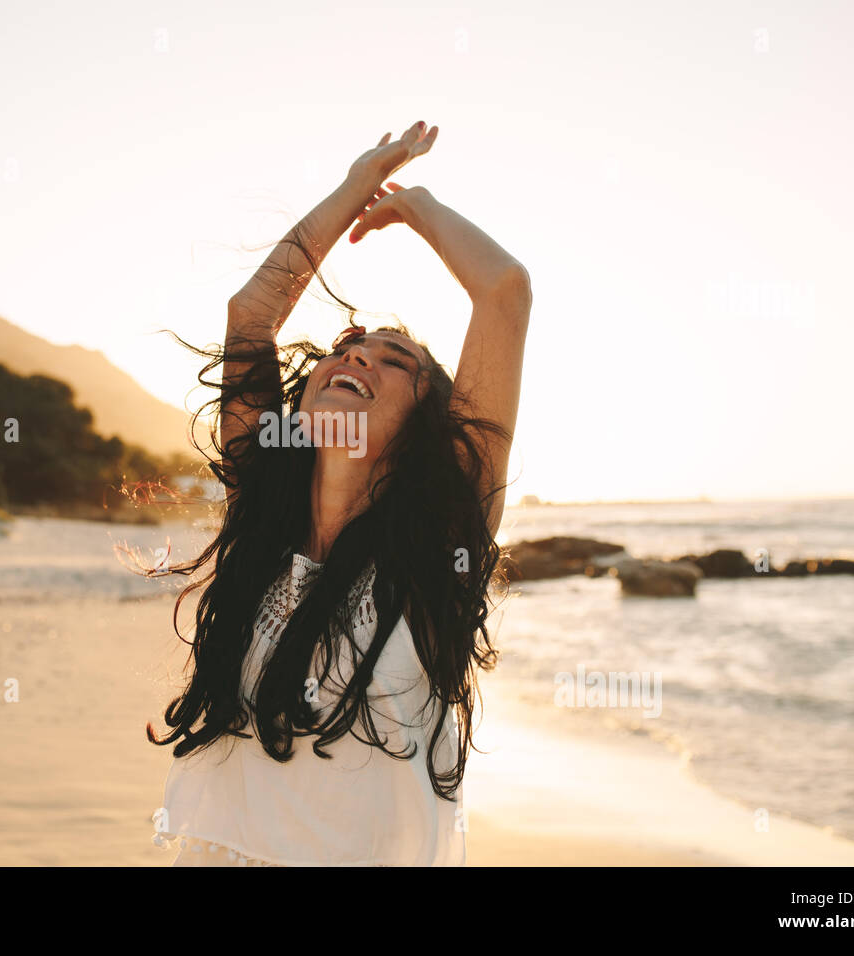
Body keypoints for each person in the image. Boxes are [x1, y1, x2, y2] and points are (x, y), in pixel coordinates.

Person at [146, 119, 532, 866]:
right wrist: (350, 187)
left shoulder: (433, 556)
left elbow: (504, 292)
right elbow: (251, 315)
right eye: (345, 350)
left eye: (396, 362)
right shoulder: (264, 520)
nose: (354, 358)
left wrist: (411, 204)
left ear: (427, 428)